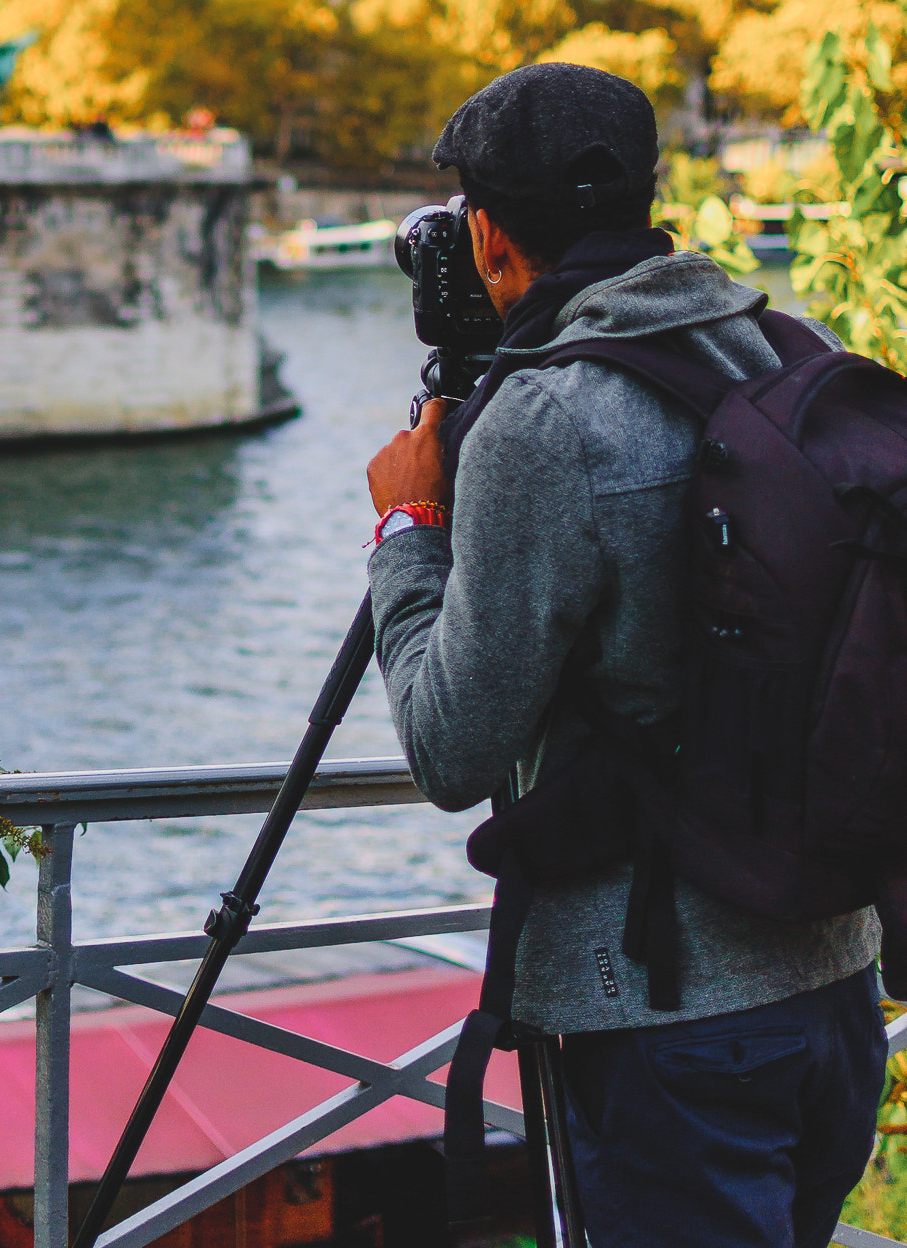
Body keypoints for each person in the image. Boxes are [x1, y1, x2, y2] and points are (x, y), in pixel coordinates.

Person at [365, 63, 887, 1248]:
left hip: (666, 1013)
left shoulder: (547, 421)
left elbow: (452, 744)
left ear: (487, 237)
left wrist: (407, 530)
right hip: (831, 980)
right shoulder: (779, 348)